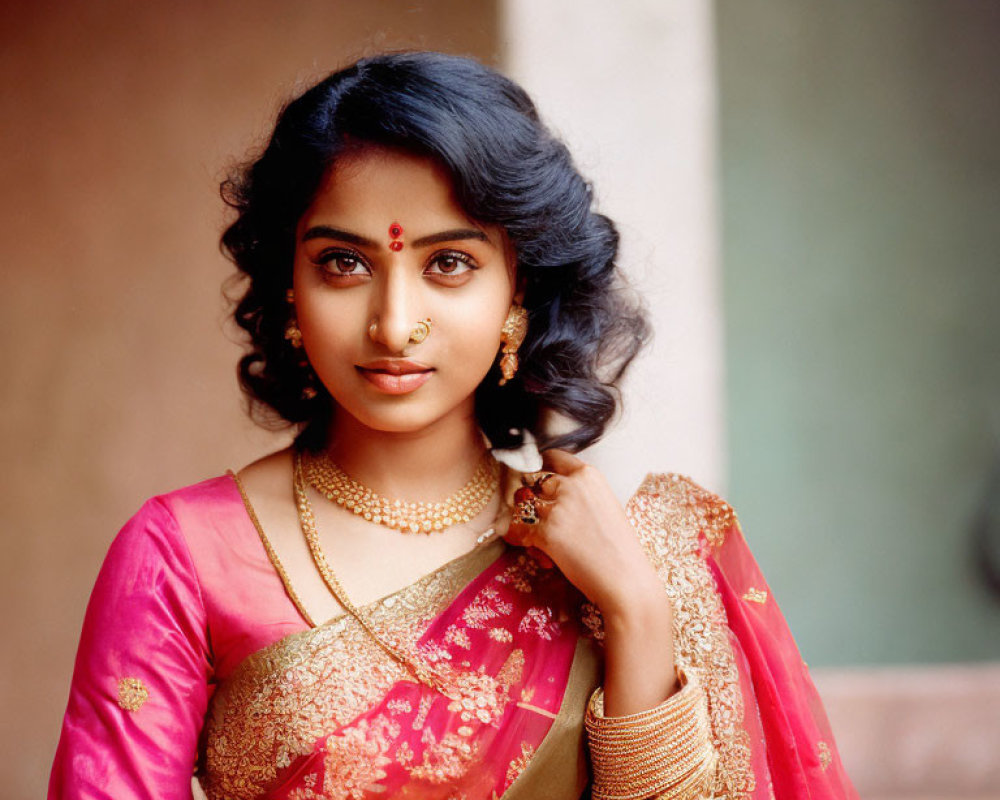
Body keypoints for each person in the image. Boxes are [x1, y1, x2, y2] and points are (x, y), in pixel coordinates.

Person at [48, 52, 857, 800]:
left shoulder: (630, 561)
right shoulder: (180, 558)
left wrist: (638, 614)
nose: (395, 325)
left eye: (449, 263)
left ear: (519, 292)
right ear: (288, 285)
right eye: (344, 262)